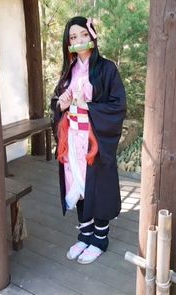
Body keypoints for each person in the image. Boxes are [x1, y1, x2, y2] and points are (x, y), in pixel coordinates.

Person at [51, 16, 126, 264]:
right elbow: (56, 102)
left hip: (95, 140)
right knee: (79, 186)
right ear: (68, 42)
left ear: (92, 35)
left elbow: (118, 106)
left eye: (83, 34)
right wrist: (60, 104)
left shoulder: (107, 69)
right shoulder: (68, 71)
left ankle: (100, 239)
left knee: (97, 188)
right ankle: (85, 235)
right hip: (72, 139)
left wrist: (89, 106)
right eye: (73, 37)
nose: (79, 40)